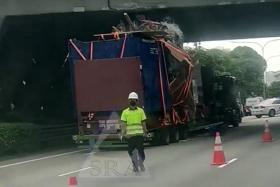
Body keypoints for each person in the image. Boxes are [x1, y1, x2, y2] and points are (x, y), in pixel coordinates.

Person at [121, 92, 147, 173]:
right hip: (130, 136)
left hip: (139, 135)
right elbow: (123, 124)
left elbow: (143, 123)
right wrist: (123, 134)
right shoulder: (125, 112)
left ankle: (141, 163)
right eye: (130, 99)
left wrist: (145, 132)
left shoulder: (141, 111)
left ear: (137, 101)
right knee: (131, 153)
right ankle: (135, 166)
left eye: (134, 100)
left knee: (141, 152)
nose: (132, 101)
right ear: (128, 101)